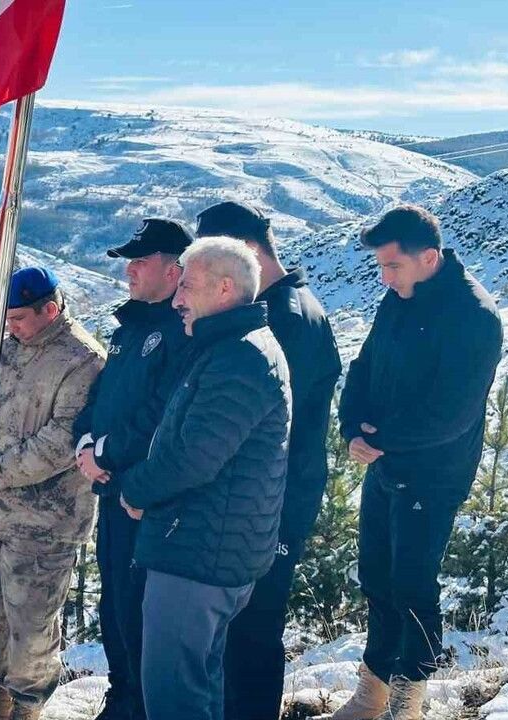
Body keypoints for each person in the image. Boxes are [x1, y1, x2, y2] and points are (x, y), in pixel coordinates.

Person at [330, 205, 502, 720]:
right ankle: (371, 693)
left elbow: (452, 412)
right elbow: (364, 365)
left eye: (392, 266)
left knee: (412, 584)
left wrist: (382, 441)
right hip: (385, 463)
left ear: (428, 258)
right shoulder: (397, 298)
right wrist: (351, 425)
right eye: (381, 267)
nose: (384, 277)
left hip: (433, 472)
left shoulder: (473, 315)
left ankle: (409, 700)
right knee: (376, 578)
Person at [114, 237, 291, 720]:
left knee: (174, 695)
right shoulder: (227, 348)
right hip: (206, 546)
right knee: (198, 689)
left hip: (197, 555)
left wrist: (133, 488)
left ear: (225, 289)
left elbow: (195, 458)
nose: (177, 300)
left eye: (187, 286)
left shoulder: (240, 359)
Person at [195, 202, 342, 720]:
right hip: (279, 492)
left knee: (253, 631)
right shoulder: (298, 305)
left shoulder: (283, 318)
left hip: (273, 499)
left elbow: (267, 423)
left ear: (246, 253)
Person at [0, 267, 105, 720]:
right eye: (7, 318)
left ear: (51, 309)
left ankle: (27, 709)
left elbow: (64, 439)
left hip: (44, 523)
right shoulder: (6, 352)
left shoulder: (82, 360)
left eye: (20, 317)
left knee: (30, 629)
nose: (11, 326)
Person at [73, 218, 194, 720]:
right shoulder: (130, 327)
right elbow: (99, 397)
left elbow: (163, 412)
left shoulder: (180, 330)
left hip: (146, 494)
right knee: (115, 603)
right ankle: (121, 695)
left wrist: (105, 452)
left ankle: (141, 705)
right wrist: (85, 441)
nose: (129, 271)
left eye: (140, 261)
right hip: (110, 488)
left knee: (141, 606)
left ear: (173, 271)